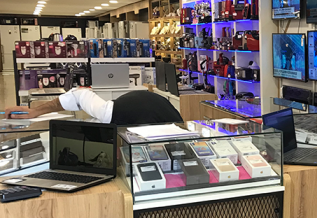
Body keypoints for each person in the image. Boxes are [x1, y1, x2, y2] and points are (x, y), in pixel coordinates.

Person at [3, 88, 183, 125]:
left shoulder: (108, 114)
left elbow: (80, 94)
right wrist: (35, 111)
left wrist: (35, 111)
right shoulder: (111, 112)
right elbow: (79, 94)